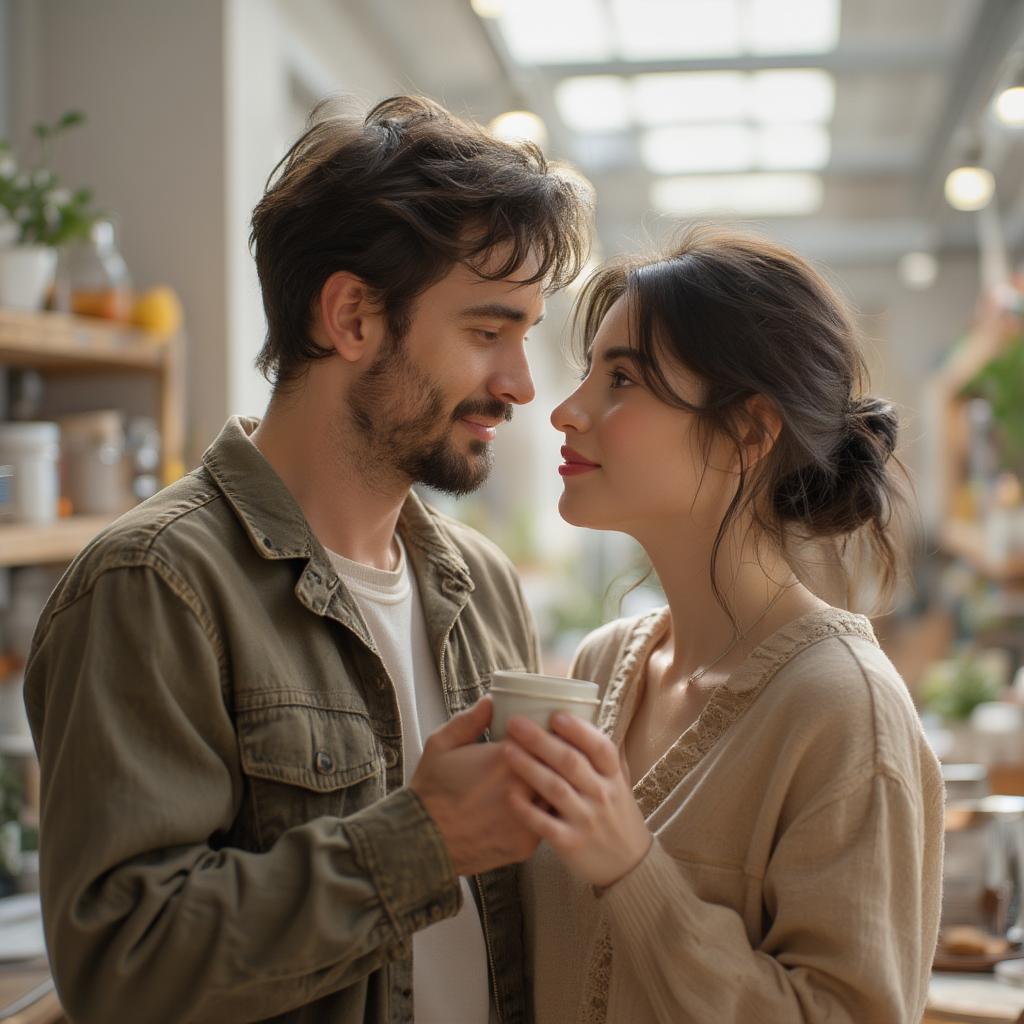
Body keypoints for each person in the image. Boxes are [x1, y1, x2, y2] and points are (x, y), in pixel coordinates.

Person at [23, 95, 590, 1023]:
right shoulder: (157, 585)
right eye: (488, 333)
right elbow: (124, 967)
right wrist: (424, 838)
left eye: (525, 337)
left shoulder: (479, 583)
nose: (520, 386)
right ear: (352, 317)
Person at [506, 226, 944, 1023]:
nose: (567, 412)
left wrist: (629, 867)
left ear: (749, 430)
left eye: (624, 379)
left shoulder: (845, 712)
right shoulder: (601, 669)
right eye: (586, 375)